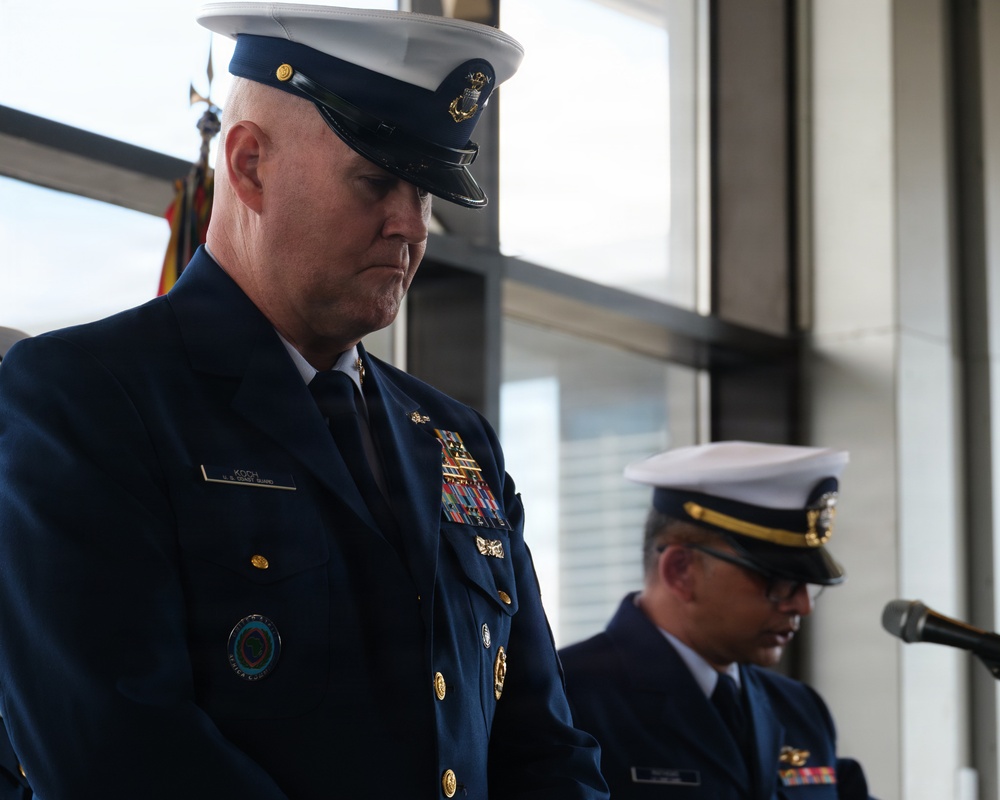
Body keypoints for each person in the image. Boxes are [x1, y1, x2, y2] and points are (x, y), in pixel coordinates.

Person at [0, 5, 608, 799]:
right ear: (249, 165)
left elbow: (540, 745)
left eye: (426, 192)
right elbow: (120, 755)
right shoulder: (86, 400)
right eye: (376, 180)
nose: (411, 226)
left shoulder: (455, 440)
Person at [559, 441, 876, 799]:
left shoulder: (799, 708)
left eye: (808, 586)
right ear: (681, 571)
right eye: (780, 582)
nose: (803, 607)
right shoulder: (567, 703)